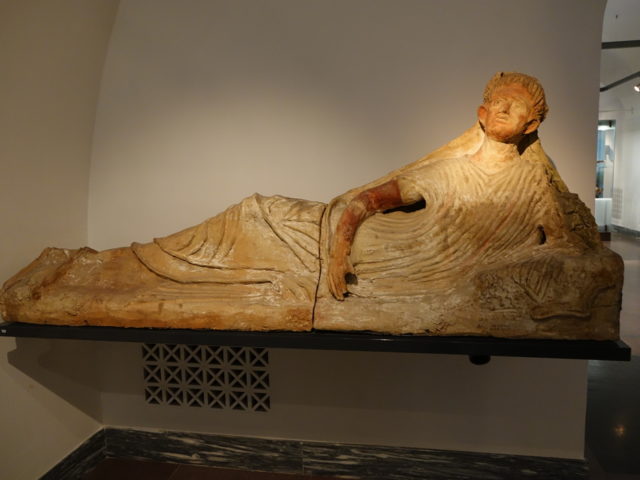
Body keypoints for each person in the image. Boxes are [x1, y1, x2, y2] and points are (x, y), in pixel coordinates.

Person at [0, 72, 623, 339]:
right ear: (482, 113)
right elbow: (358, 203)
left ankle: (78, 272)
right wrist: (338, 255)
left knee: (218, 263)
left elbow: (572, 249)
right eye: (501, 105)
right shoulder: (446, 170)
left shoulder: (536, 189)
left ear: (533, 123)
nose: (510, 114)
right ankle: (87, 267)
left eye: (522, 110)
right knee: (242, 223)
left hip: (393, 275)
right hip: (332, 245)